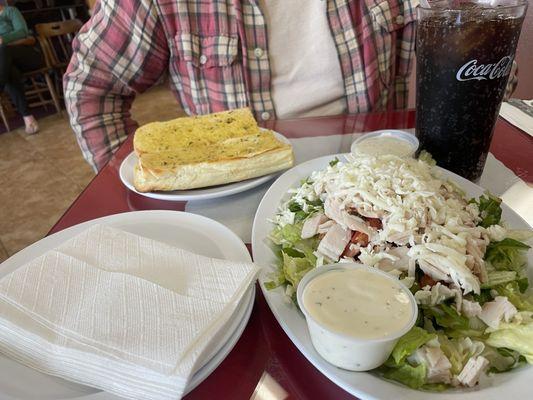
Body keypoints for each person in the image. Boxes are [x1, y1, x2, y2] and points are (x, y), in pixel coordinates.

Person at [64, 0, 516, 172]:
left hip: (378, 176)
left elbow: (478, 32)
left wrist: (489, 63)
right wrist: (130, 180)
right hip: (234, 196)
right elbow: (92, 86)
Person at [0, 3, 42, 134]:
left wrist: (3, 39)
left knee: (4, 50)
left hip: (28, 55)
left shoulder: (10, 11)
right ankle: (28, 118)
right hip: (7, 63)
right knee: (11, 72)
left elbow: (23, 32)